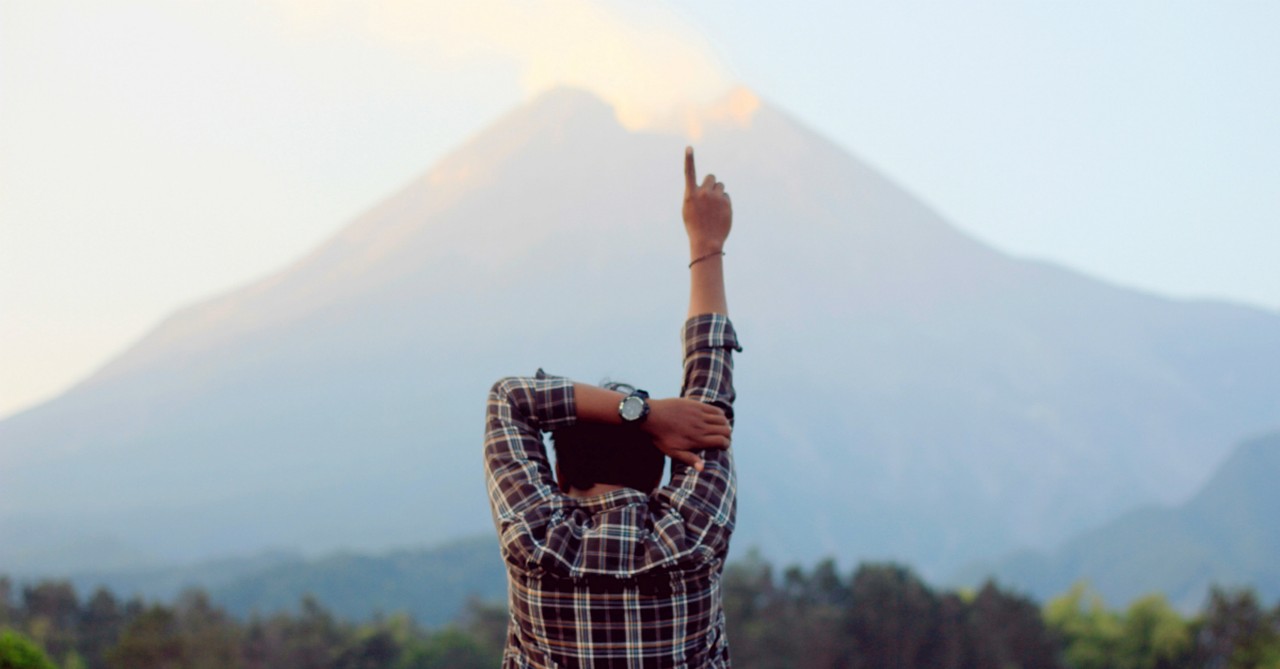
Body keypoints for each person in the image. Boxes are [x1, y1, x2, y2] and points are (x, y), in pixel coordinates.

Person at [484, 146, 741, 668]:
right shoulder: (690, 537)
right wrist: (706, 244)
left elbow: (510, 397)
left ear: (559, 471)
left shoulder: (536, 542)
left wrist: (643, 412)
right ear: (660, 468)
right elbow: (710, 395)